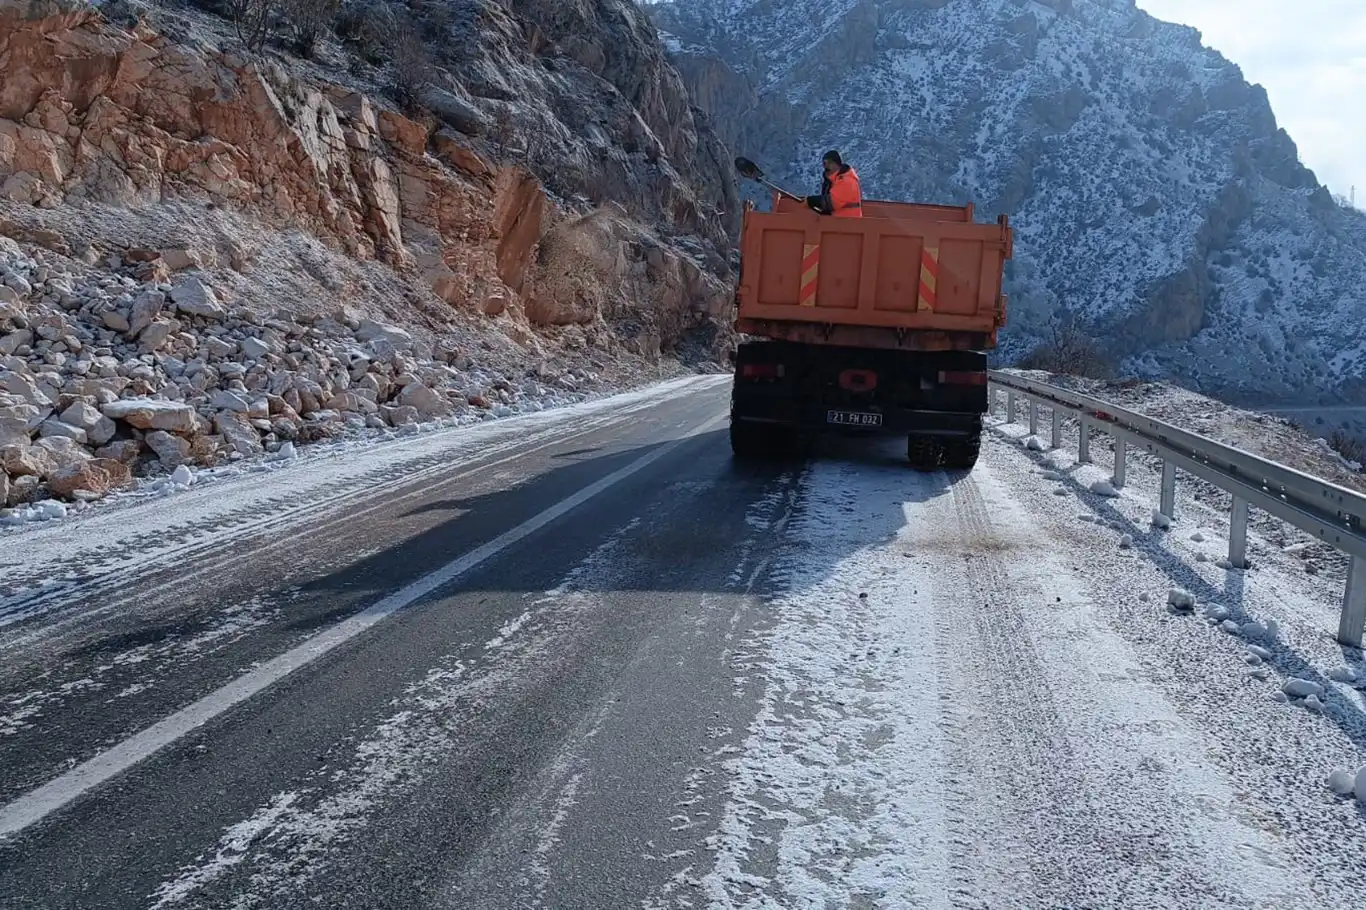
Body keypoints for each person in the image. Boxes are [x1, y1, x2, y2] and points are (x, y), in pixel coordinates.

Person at [804, 150, 863, 217]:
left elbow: (833, 202)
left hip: (848, 223)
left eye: (829, 163)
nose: (826, 167)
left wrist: (811, 201)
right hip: (838, 222)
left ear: (836, 164)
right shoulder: (834, 181)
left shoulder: (847, 181)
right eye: (824, 164)